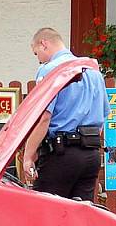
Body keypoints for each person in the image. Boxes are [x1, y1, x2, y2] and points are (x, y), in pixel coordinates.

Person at [23, 27, 109, 200]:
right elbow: (103, 115)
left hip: (61, 154)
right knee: (81, 217)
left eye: (36, 53)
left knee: (46, 214)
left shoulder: (50, 70)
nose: (38, 60)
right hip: (91, 154)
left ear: (44, 43)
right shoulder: (93, 70)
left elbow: (44, 117)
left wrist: (28, 155)